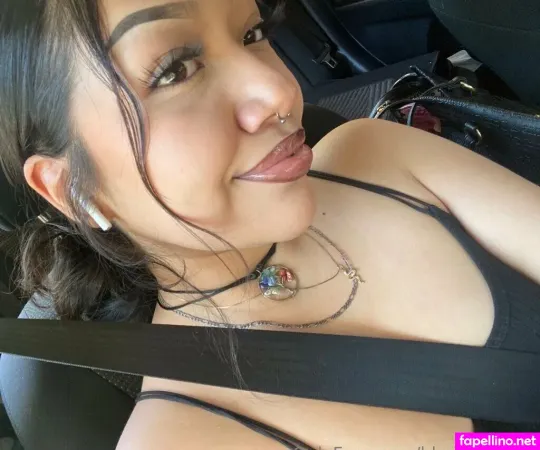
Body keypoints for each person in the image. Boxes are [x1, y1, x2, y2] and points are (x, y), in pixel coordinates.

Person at [1, 0, 539, 449]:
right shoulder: (187, 439)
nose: (279, 90)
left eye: (252, 34)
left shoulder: (379, 154)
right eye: (175, 70)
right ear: (75, 188)